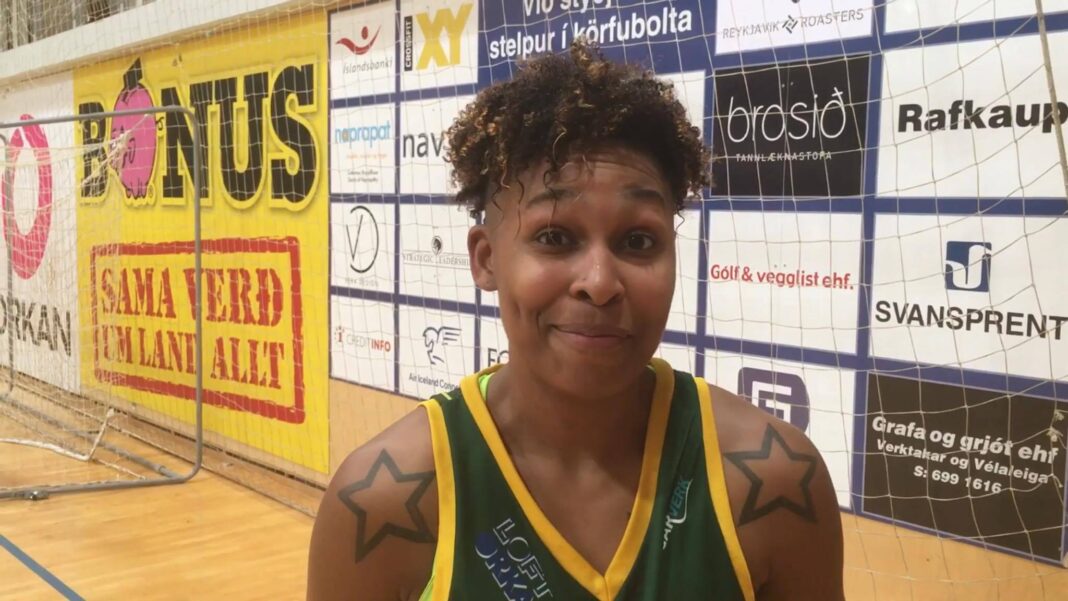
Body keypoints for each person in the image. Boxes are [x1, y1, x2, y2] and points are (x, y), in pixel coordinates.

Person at [308, 40, 844, 601]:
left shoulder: (774, 481)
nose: (600, 281)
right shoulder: (383, 503)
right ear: (486, 259)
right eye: (555, 236)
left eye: (638, 241)